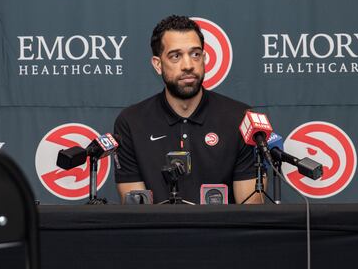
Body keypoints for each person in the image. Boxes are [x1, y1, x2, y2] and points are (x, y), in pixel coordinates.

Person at [113, 15, 263, 204]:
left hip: (222, 232)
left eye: (195, 54)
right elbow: (138, 212)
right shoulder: (131, 122)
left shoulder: (241, 118)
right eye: (176, 56)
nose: (188, 65)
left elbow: (249, 210)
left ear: (204, 58)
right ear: (158, 65)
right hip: (158, 232)